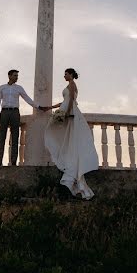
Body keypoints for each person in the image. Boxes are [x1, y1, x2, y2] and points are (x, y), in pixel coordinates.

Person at [43, 68, 99, 199]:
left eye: (66, 74)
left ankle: (71, 173)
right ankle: (66, 164)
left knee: (71, 139)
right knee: (57, 133)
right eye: (64, 74)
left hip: (71, 113)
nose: (64, 75)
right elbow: (64, 101)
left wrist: (67, 114)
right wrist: (51, 108)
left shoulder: (72, 84)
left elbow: (72, 100)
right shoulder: (68, 85)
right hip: (67, 111)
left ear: (71, 75)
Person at [0, 69, 41, 166]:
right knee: (2, 136)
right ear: (9, 76)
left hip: (15, 112)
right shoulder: (2, 88)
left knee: (15, 137)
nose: (17, 77)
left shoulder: (19, 88)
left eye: (17, 76)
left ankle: (13, 161)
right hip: (4, 112)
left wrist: (38, 106)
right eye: (15, 75)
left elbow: (27, 98)